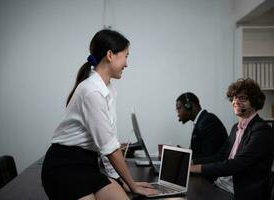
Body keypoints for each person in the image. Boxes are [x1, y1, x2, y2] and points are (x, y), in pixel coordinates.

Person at [41, 29, 158, 200]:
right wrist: (132, 184)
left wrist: (121, 181)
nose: (127, 64)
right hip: (64, 167)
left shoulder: (108, 90)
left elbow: (107, 145)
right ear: (110, 55)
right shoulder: (91, 92)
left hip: (88, 166)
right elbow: (110, 148)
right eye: (126, 56)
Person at [190, 78, 274, 200]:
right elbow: (219, 156)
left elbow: (235, 164)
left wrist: (194, 169)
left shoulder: (262, 131)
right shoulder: (236, 128)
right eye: (234, 98)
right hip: (222, 185)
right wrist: (191, 162)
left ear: (254, 101)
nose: (236, 101)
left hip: (240, 193)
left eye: (242, 98)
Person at [176, 92, 228, 159]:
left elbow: (210, 157)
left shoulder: (208, 122)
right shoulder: (201, 121)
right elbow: (201, 152)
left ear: (189, 106)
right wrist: (184, 153)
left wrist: (186, 159)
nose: (178, 114)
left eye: (179, 108)